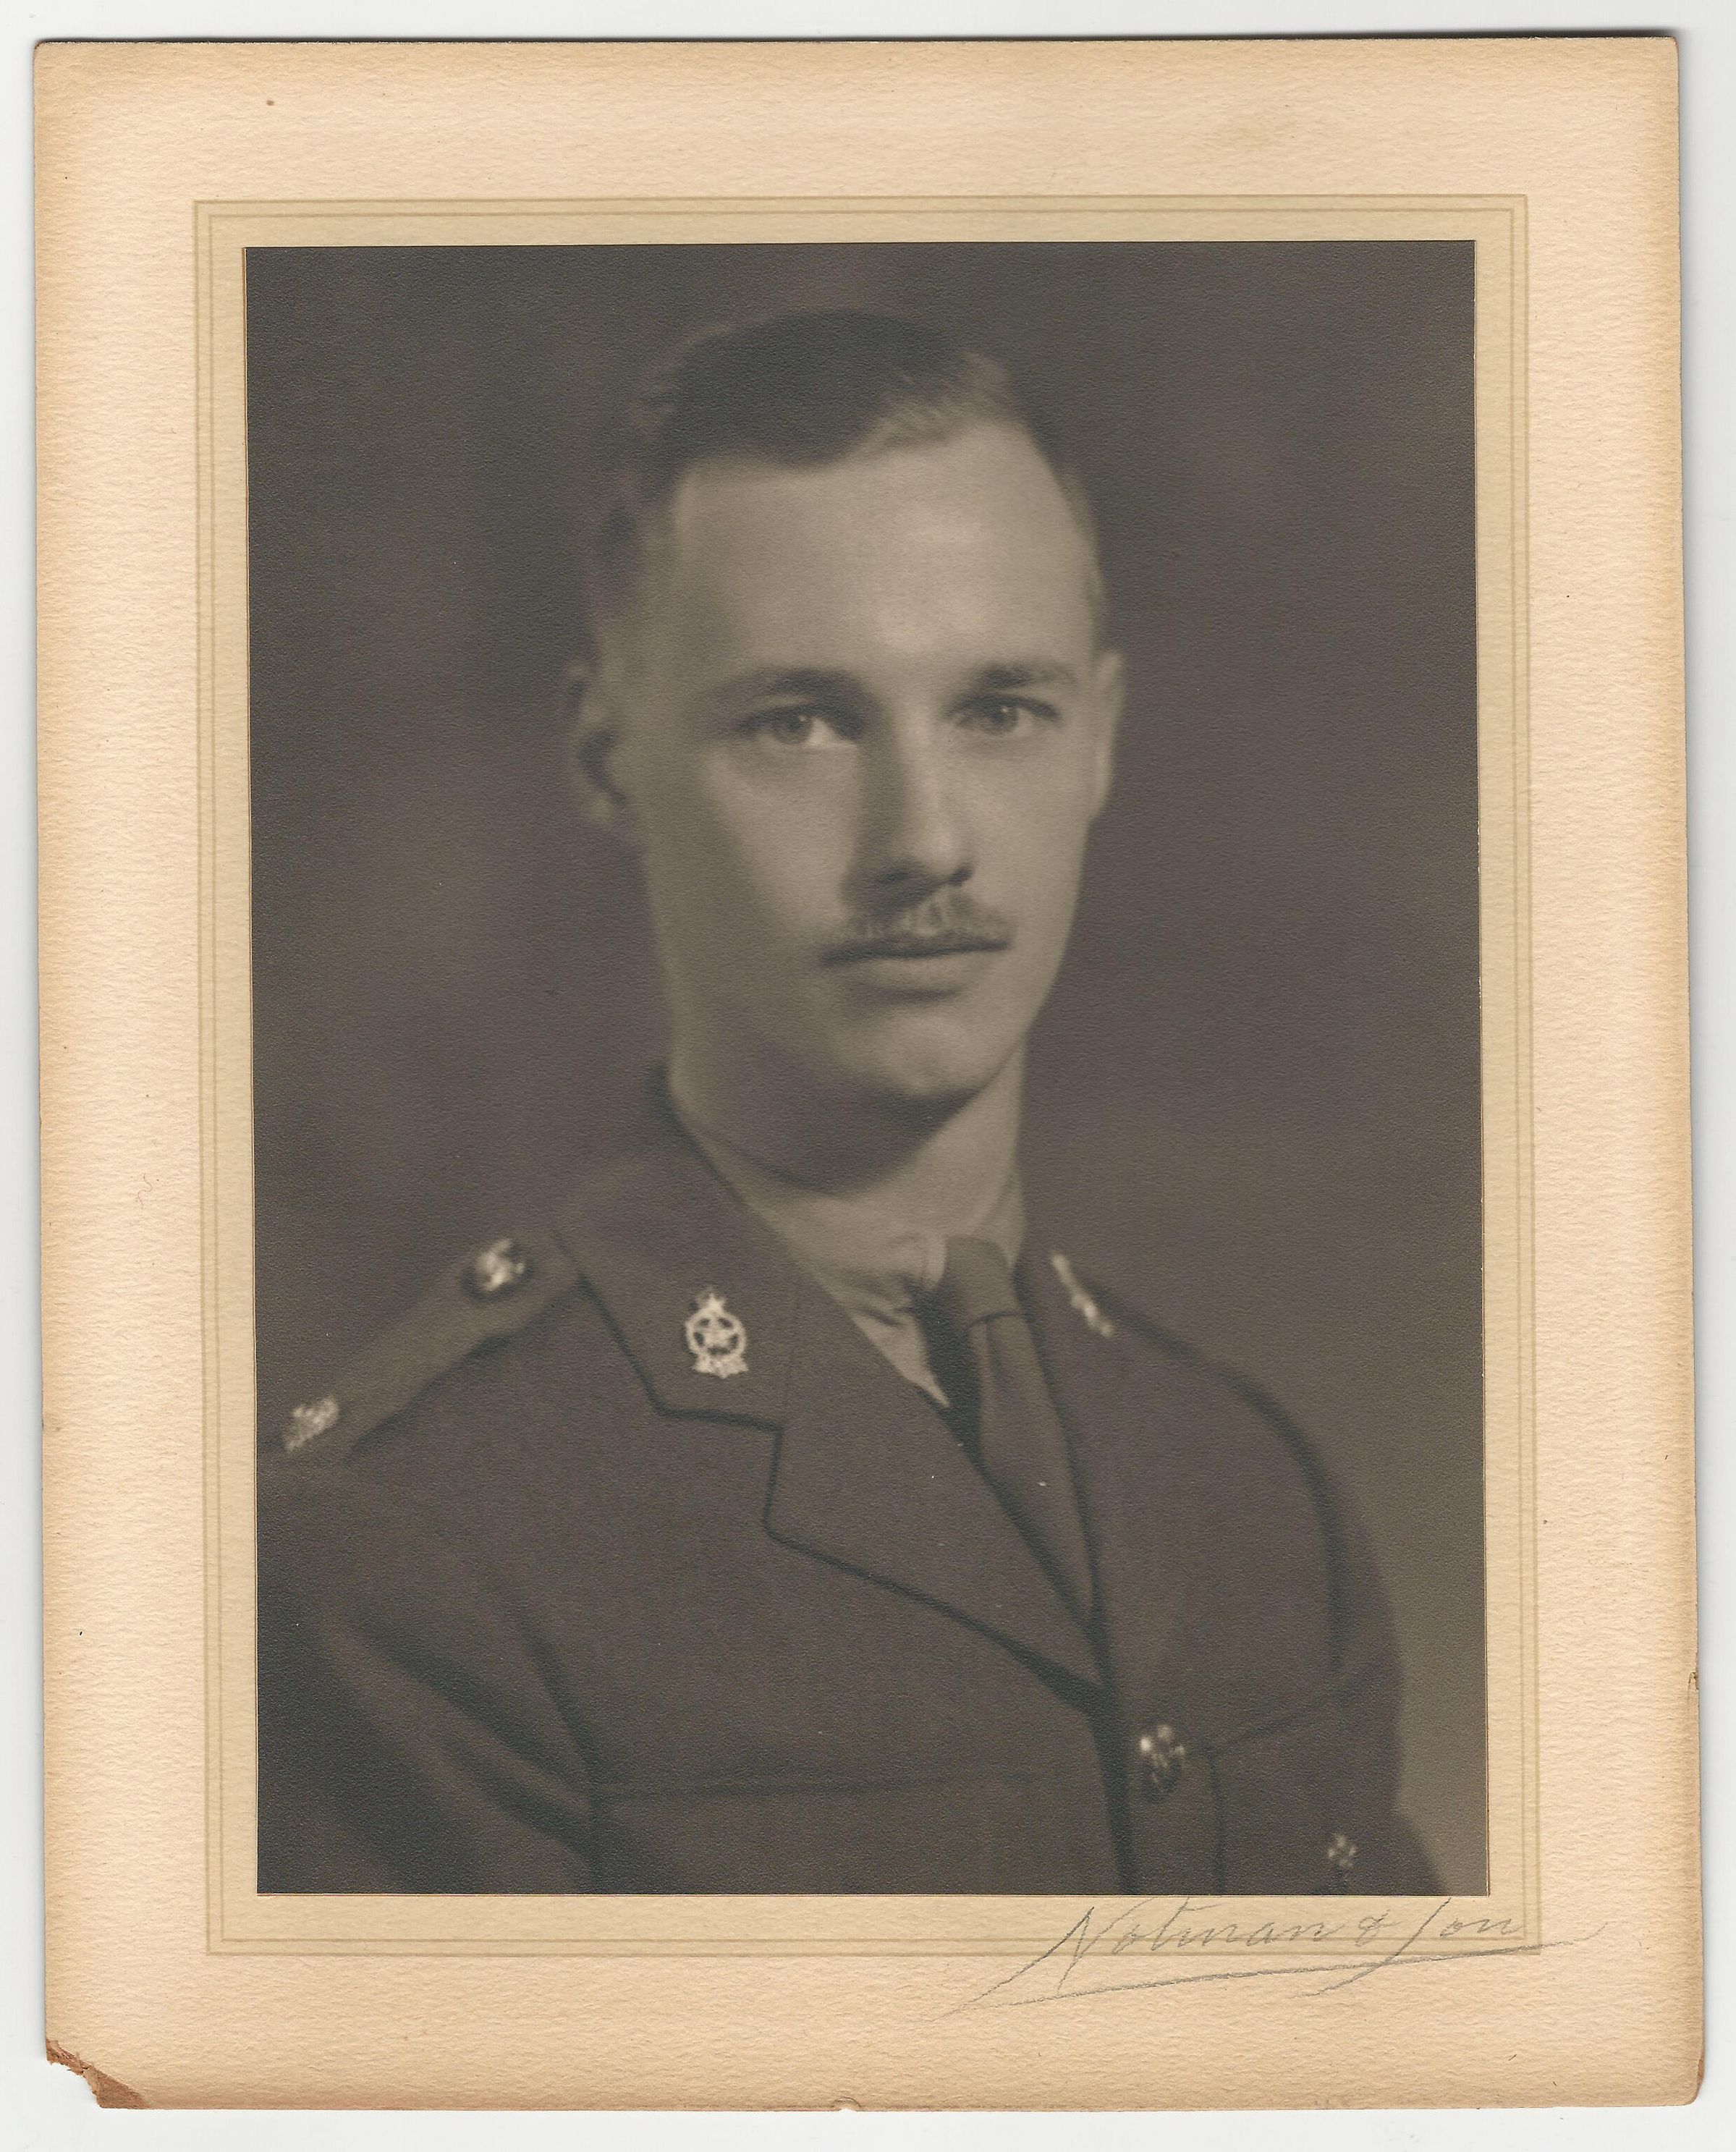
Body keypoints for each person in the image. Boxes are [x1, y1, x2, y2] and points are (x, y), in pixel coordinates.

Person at [257, 310, 1438, 1897]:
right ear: (606, 761)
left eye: (999, 709)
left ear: (1101, 736)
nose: (925, 838)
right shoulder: (414, 1545)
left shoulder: (1251, 1488)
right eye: (800, 719)